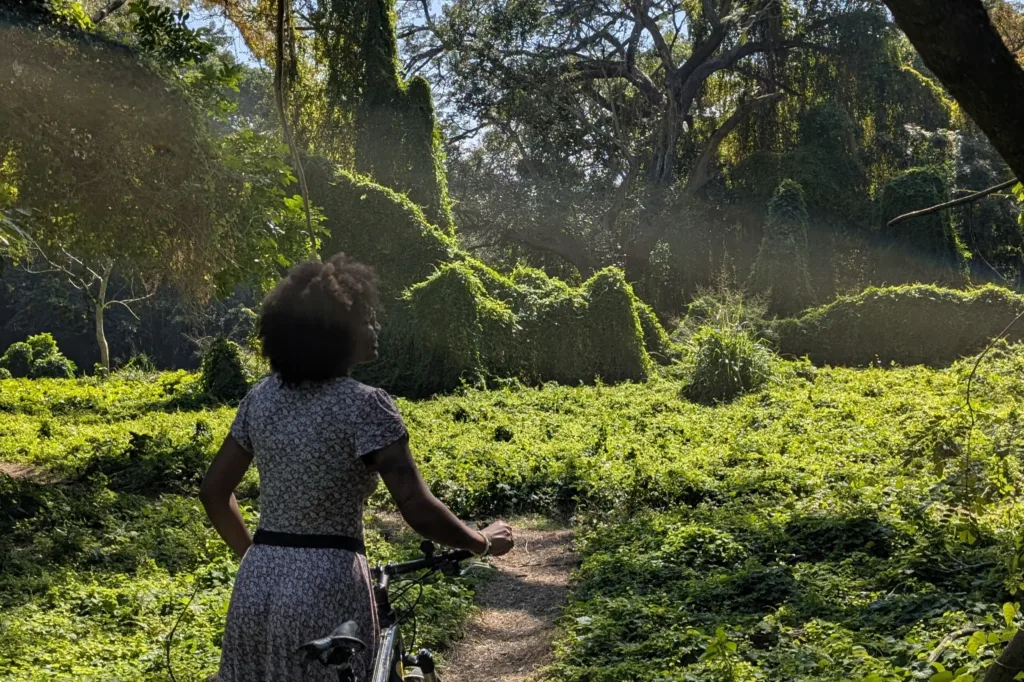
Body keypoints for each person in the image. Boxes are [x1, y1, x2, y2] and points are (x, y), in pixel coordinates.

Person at [199, 253, 514, 681]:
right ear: (336, 333)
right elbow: (416, 508)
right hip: (327, 587)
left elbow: (215, 492)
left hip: (257, 585)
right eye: (366, 319)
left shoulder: (261, 398)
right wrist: (481, 542)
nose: (375, 327)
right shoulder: (367, 405)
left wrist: (258, 557)